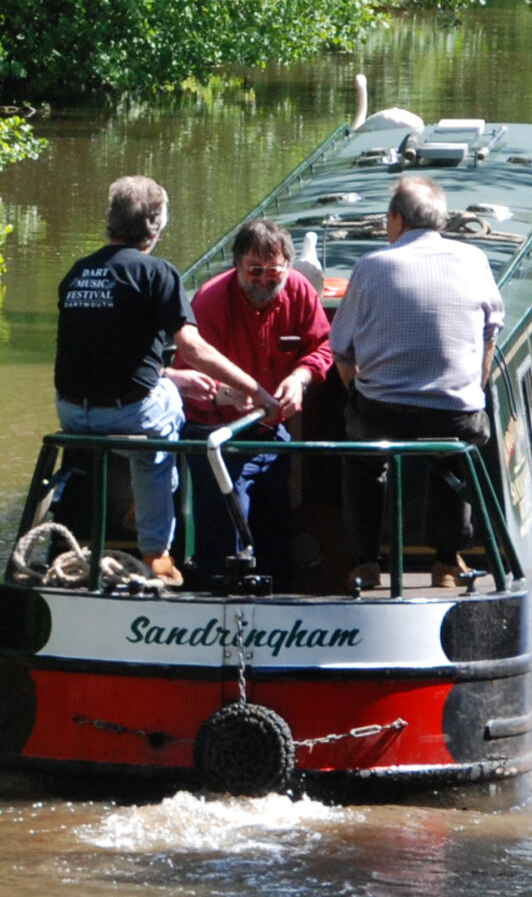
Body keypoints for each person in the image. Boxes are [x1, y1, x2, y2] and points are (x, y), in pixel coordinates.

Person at [54, 176, 283, 586]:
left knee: (165, 391)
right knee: (167, 424)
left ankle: (146, 507)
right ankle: (157, 549)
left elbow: (103, 353)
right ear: (156, 226)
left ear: (111, 222)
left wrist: (175, 376)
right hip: (127, 414)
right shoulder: (157, 272)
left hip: (71, 414)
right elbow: (192, 348)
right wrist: (255, 389)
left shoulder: (76, 272)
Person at [330, 175, 504, 590]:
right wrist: (471, 390)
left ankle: (365, 564)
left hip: (382, 413)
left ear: (395, 220)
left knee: (362, 457)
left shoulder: (371, 266)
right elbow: (490, 333)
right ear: (440, 221)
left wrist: (359, 391)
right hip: (454, 414)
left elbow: (340, 349)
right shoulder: (474, 259)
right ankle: (446, 562)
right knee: (453, 455)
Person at [176, 218, 334, 574]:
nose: (264, 279)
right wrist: (222, 395)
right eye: (254, 270)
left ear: (289, 267)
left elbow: (322, 345)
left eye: (273, 271)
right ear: (237, 265)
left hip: (272, 434)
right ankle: (214, 609)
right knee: (225, 541)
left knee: (276, 532)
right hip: (219, 438)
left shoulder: (301, 292)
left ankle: (278, 609)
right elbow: (186, 376)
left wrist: (300, 377)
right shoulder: (210, 302)